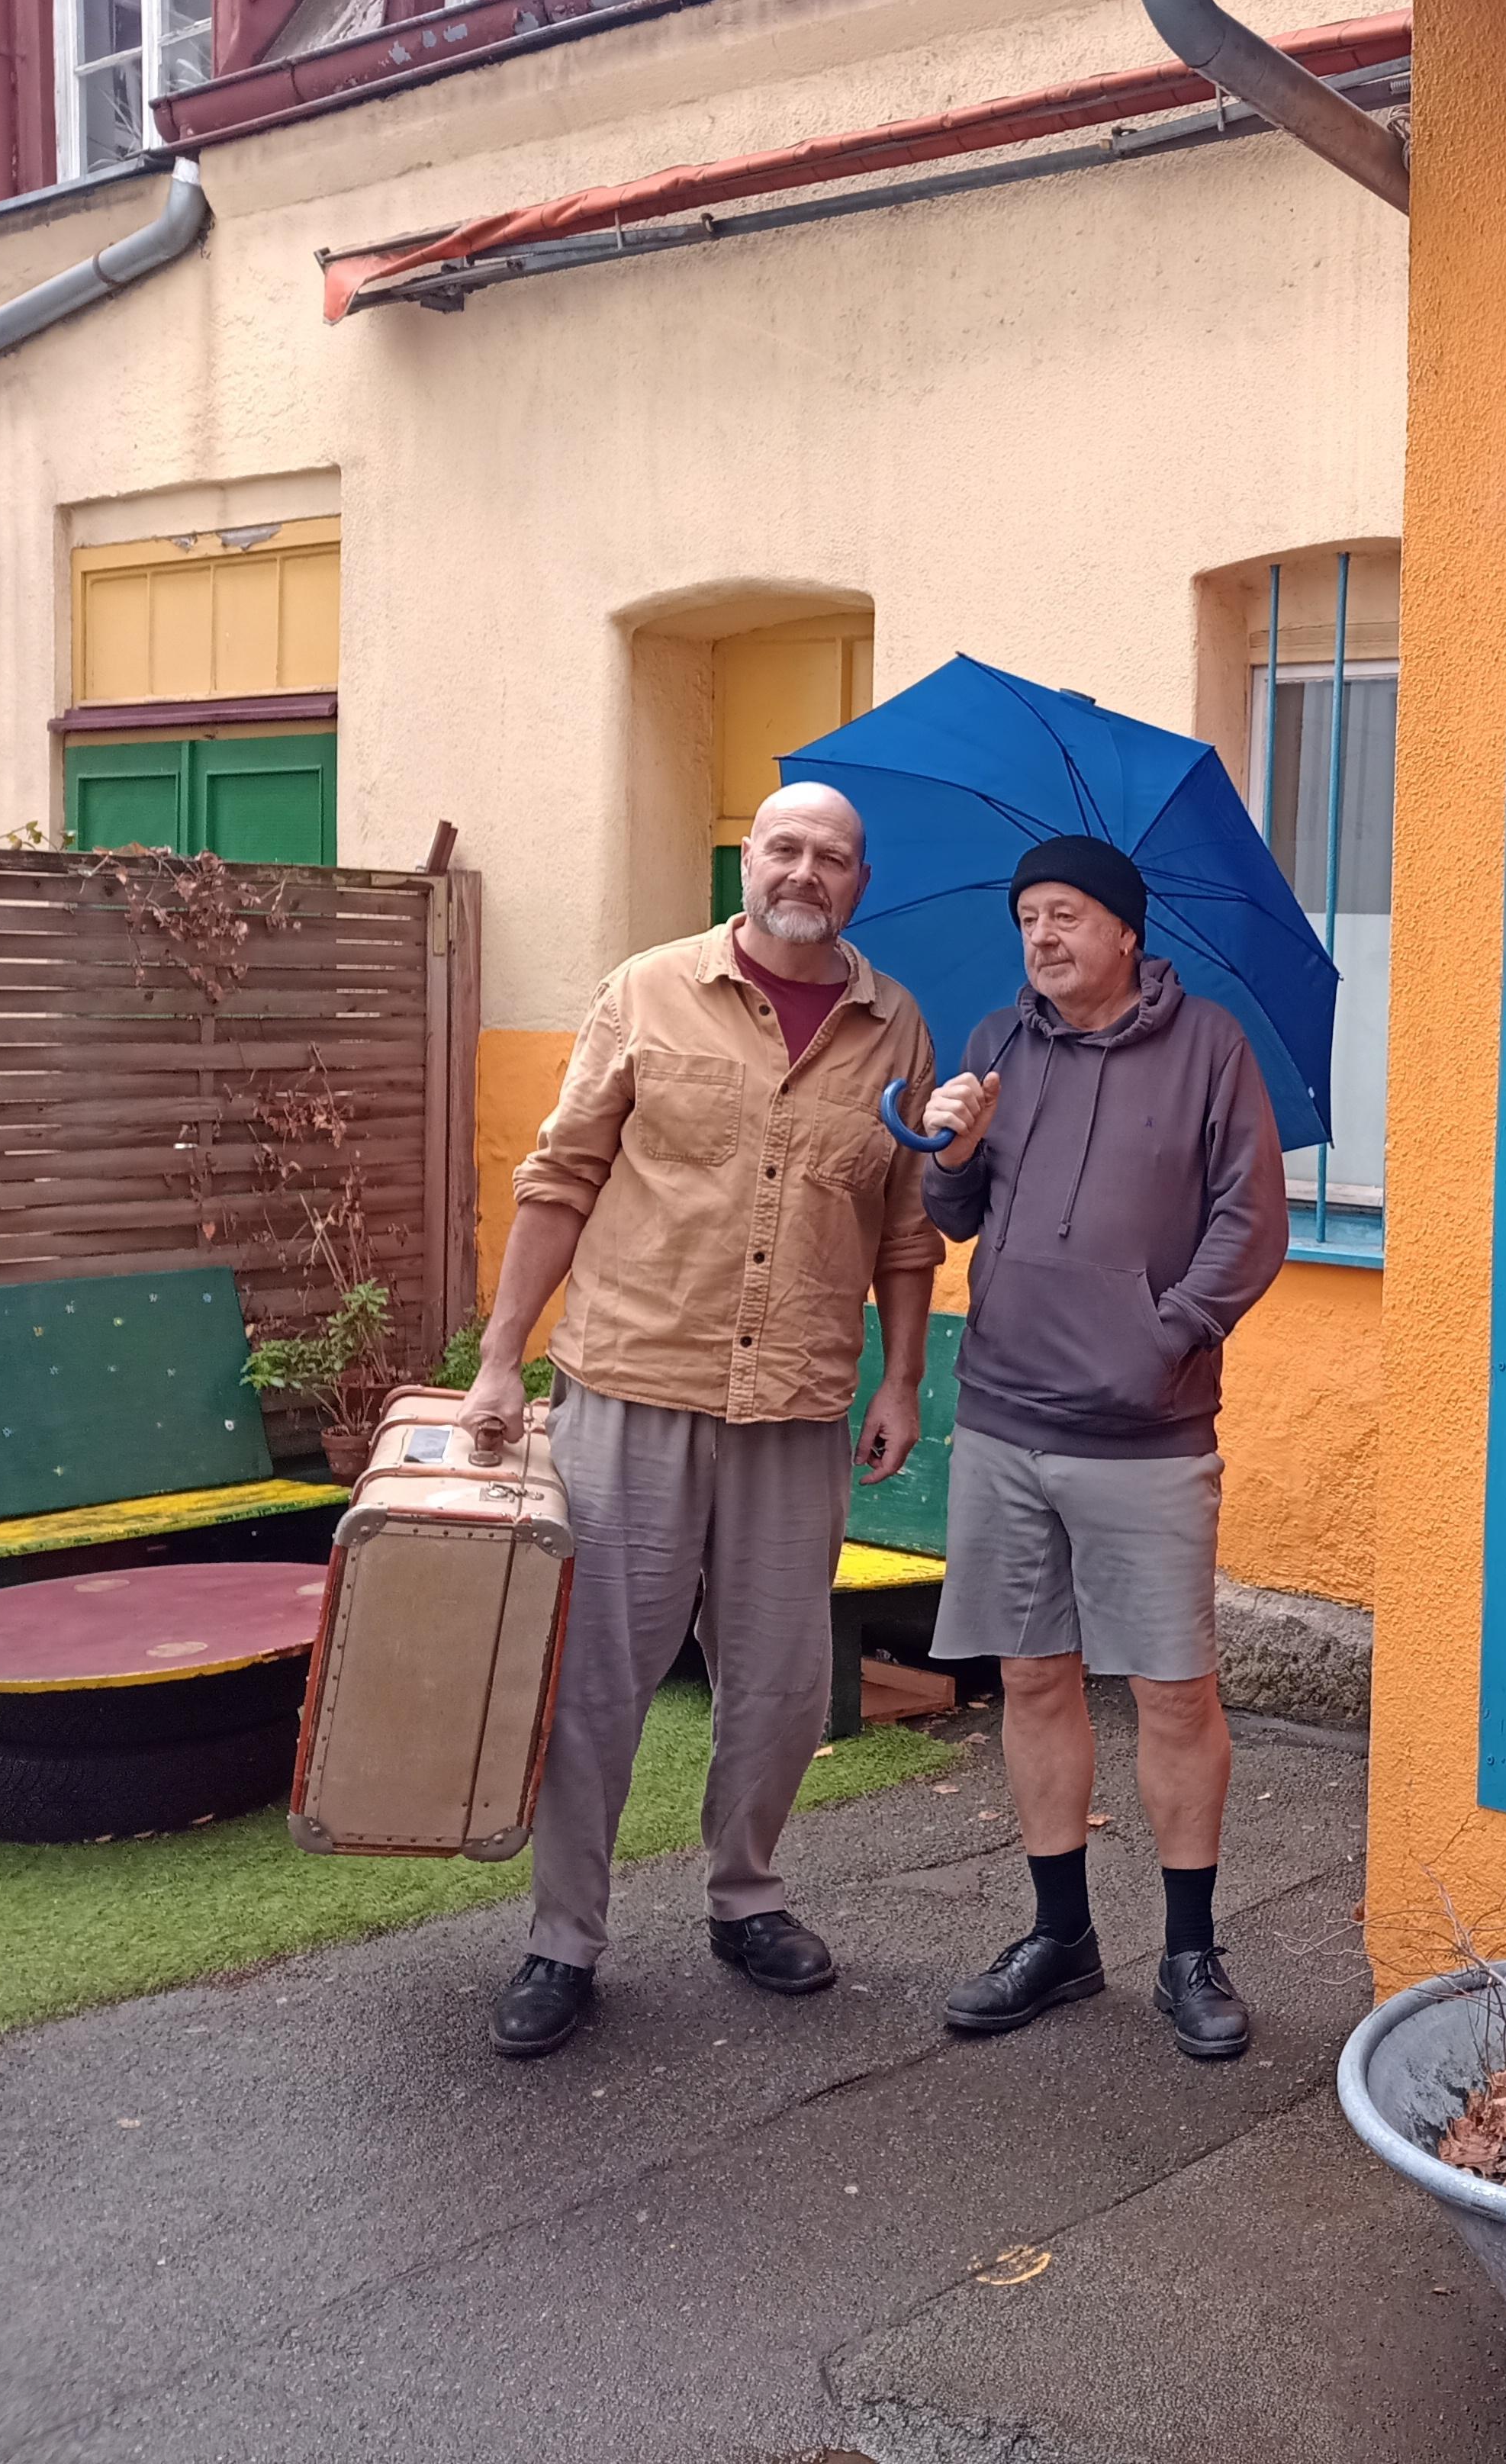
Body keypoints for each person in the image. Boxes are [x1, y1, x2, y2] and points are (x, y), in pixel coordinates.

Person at [455, 782, 942, 2059]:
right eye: (784, 846)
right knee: (597, 1685)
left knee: (781, 1689)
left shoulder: (897, 1031)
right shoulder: (646, 990)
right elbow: (560, 1178)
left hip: (797, 1404)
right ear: (748, 859)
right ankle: (564, 1938)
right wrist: (501, 1360)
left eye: (834, 856)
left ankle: (747, 1896)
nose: (806, 871)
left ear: (859, 883)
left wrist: (901, 1380)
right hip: (631, 1383)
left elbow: (902, 1229)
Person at [915, 833, 1287, 2060]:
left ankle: (1190, 1950)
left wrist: (1166, 1336)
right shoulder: (994, 1046)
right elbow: (955, 1217)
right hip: (1007, 1417)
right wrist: (947, 1144)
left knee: (1173, 1691)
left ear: (1128, 931)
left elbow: (1252, 1218)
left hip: (1146, 1430)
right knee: (1031, 1676)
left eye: (1066, 914)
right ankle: (1060, 1937)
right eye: (1028, 916)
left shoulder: (1212, 1050)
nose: (1041, 937)